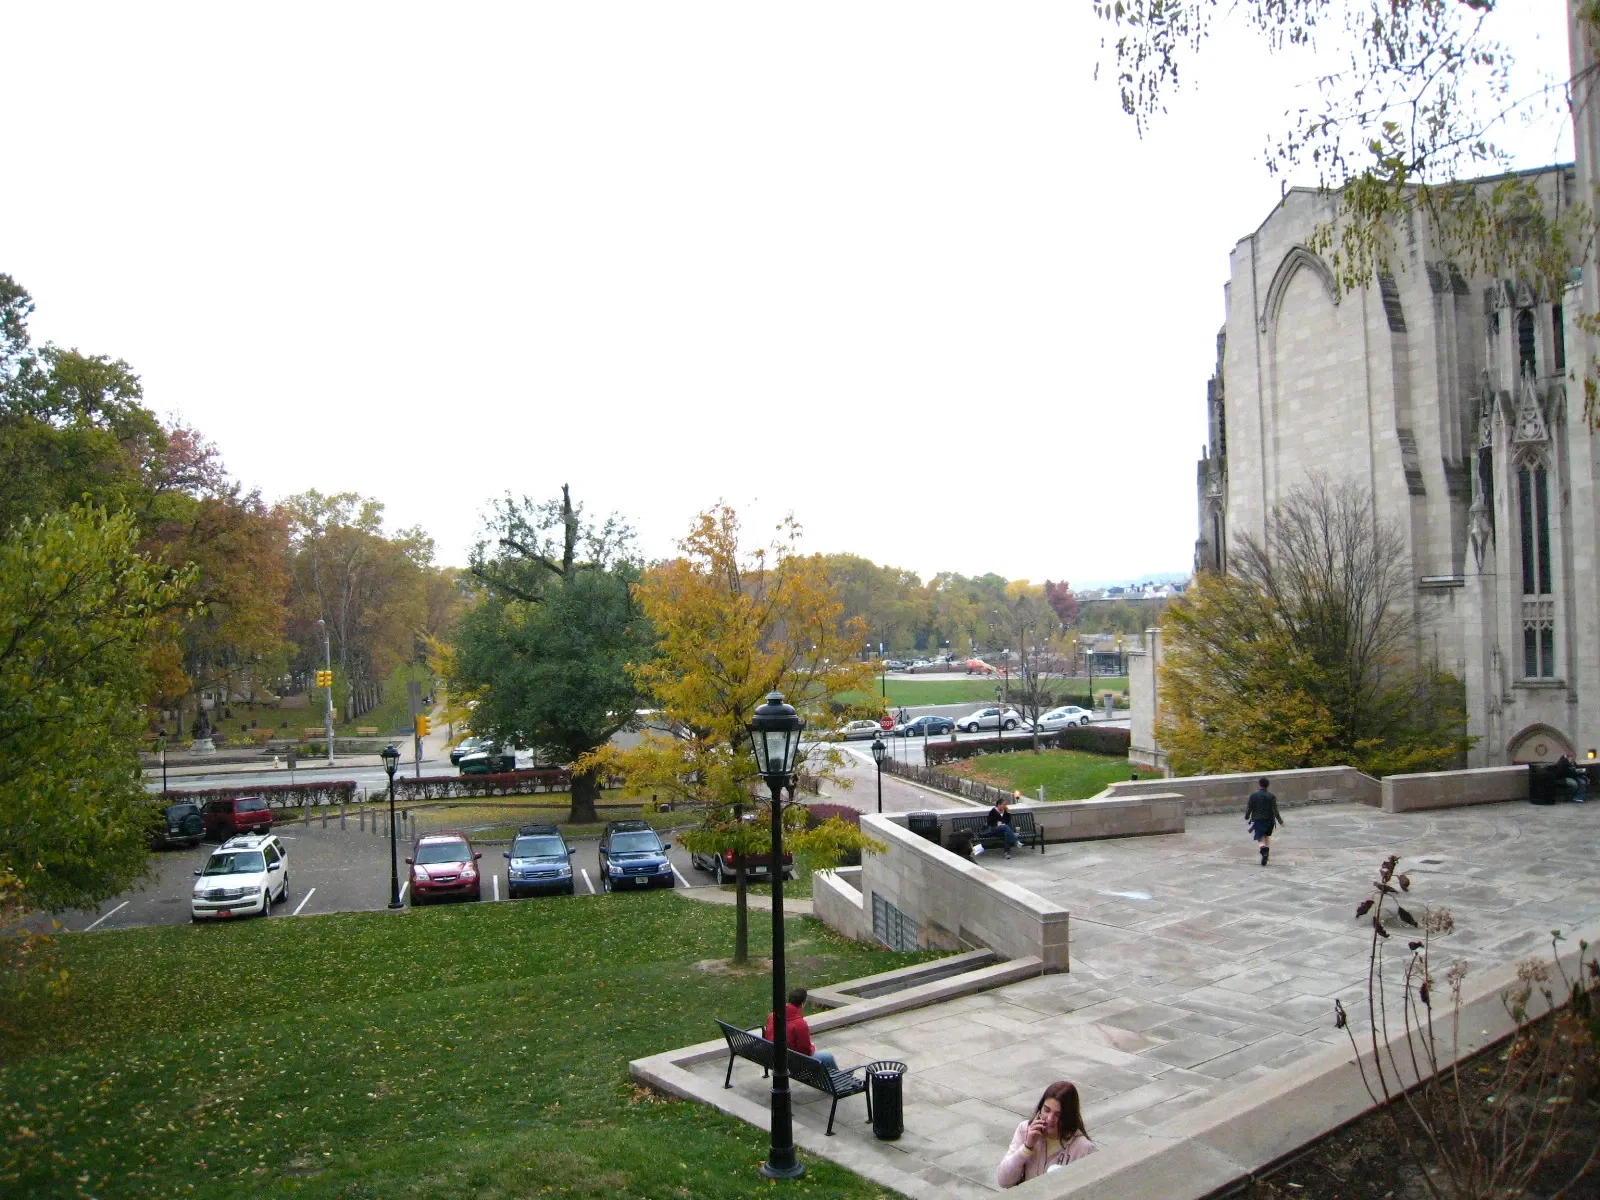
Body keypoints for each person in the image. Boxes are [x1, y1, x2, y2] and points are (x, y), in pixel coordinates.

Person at [996, 1080, 1096, 1187]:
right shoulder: (1024, 1130)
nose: (1050, 1119)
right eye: (1047, 1110)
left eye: (1058, 1115)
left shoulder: (1084, 1149)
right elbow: (1003, 1181)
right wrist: (1026, 1148)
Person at [764, 987, 837, 1071]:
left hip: (773, 1056)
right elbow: (805, 1052)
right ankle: (841, 1078)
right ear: (802, 1004)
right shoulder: (799, 1024)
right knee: (827, 1056)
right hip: (791, 1062)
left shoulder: (773, 1016)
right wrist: (812, 1047)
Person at [1245, 777, 1285, 866]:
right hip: (1270, 820)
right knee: (1267, 836)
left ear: (1259, 784)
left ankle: (1263, 851)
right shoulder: (1271, 796)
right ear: (1268, 785)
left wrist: (1247, 816)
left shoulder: (1254, 795)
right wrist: (1280, 821)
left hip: (1258, 820)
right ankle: (1267, 853)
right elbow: (1275, 810)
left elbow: (1249, 807)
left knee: (1260, 838)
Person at [987, 794, 1023, 859]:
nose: (1005, 806)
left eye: (1005, 804)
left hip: (1003, 830)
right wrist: (996, 823)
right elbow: (989, 822)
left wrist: (1008, 813)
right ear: (999, 805)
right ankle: (1016, 841)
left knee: (1006, 833)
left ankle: (1007, 853)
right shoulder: (993, 811)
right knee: (1005, 827)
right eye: (1003, 804)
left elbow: (1007, 821)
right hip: (994, 829)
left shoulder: (1005, 811)